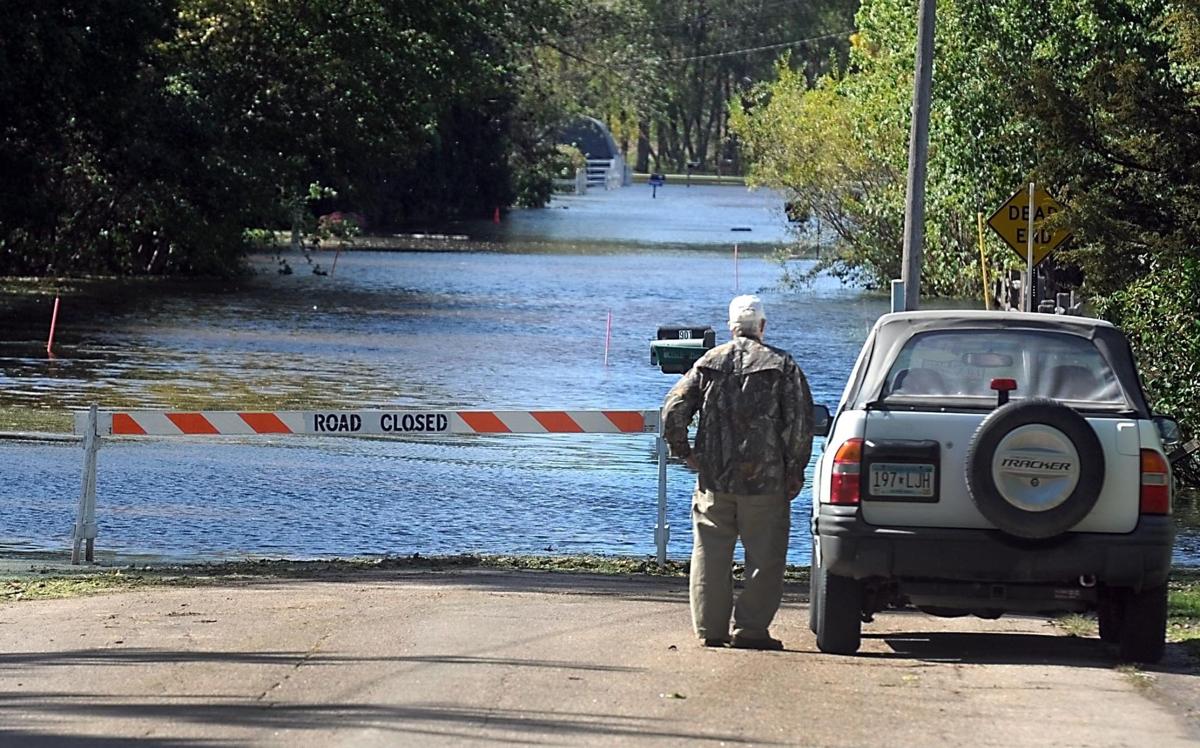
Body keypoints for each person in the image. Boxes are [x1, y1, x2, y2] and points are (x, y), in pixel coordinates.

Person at [661, 294, 814, 650]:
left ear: (732, 327)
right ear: (762, 326)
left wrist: (684, 453)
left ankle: (711, 630)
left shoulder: (708, 362)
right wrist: (795, 469)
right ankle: (751, 630)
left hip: (715, 478)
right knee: (765, 557)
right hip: (767, 481)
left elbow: (672, 410)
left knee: (710, 554)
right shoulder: (783, 365)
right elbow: (800, 424)